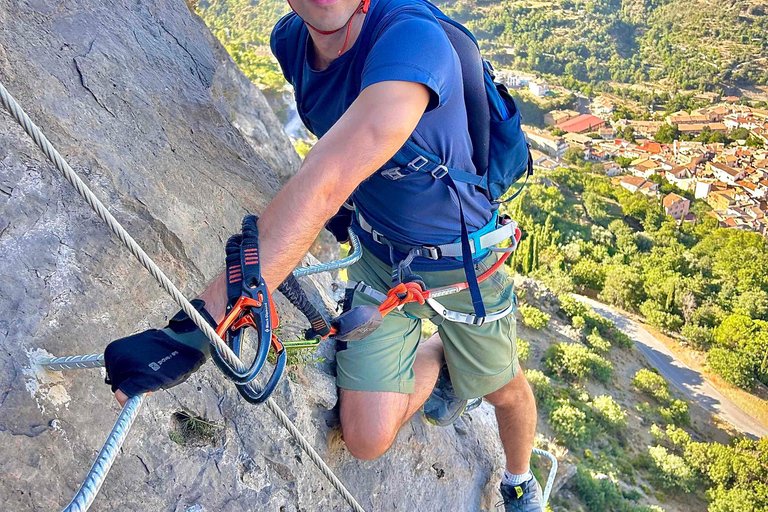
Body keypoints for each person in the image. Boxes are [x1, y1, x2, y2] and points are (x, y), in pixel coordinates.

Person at [103, 0, 541, 509]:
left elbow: (329, 176)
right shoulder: (290, 44)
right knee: (365, 439)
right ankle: (442, 359)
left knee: (501, 389)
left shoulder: (414, 40)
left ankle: (517, 481)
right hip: (379, 260)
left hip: (462, 266)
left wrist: (197, 325)